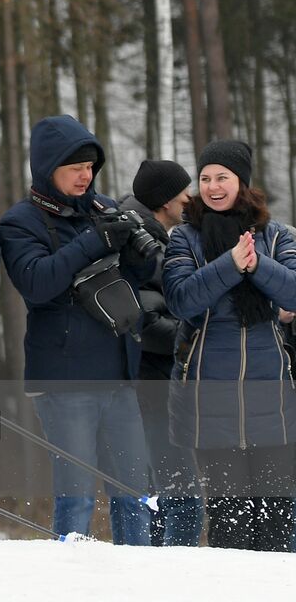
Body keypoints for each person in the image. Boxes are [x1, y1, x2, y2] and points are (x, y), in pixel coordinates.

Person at [0, 115, 151, 545]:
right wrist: (96, 241)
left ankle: (137, 580)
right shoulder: (20, 222)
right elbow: (37, 283)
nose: (86, 175)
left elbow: (139, 276)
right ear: (48, 169)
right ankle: (70, 582)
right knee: (77, 497)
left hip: (119, 373)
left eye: (90, 166)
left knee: (134, 494)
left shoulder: (103, 210)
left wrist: (134, 245)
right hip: (65, 381)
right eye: (75, 167)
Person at [163, 140, 296, 551]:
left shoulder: (277, 237)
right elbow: (181, 299)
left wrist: (257, 264)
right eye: (205, 178)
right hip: (210, 401)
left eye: (222, 177)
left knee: (278, 526)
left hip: (273, 400)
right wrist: (230, 264)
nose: (212, 186)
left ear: (242, 183)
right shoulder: (184, 238)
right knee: (229, 527)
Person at [120, 159, 204, 547]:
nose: (189, 198)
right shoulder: (140, 245)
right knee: (183, 500)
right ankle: (173, 575)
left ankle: (159, 567)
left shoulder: (159, 239)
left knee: (164, 495)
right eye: (182, 192)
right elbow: (144, 323)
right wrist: (195, 341)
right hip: (149, 384)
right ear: (164, 200)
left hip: (161, 382)